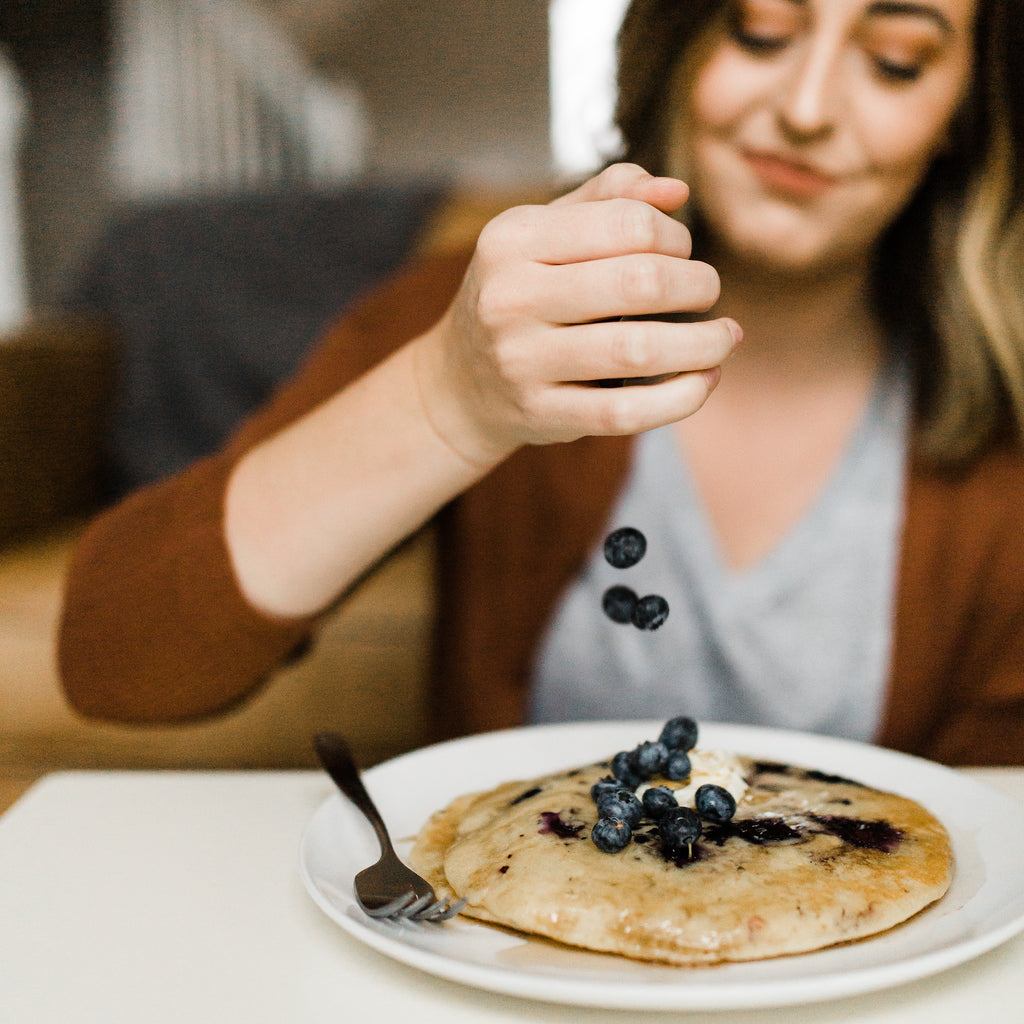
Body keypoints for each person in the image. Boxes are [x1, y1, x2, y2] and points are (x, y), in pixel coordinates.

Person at [58, 0, 1024, 765]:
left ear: (961, 115)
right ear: (676, 42)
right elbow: (111, 658)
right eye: (760, 30)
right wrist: (446, 398)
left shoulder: (1000, 445)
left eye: (897, 58)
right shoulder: (485, 315)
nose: (808, 109)